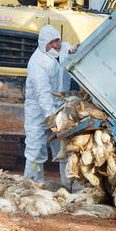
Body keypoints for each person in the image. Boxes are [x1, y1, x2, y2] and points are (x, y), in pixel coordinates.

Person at [23, 24, 76, 185]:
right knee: (35, 149)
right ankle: (33, 184)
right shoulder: (37, 63)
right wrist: (52, 119)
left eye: (57, 40)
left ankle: (70, 186)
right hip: (38, 110)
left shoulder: (61, 49)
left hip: (60, 105)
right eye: (52, 42)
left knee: (65, 147)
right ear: (43, 44)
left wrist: (75, 49)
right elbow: (43, 94)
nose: (56, 45)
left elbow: (68, 49)